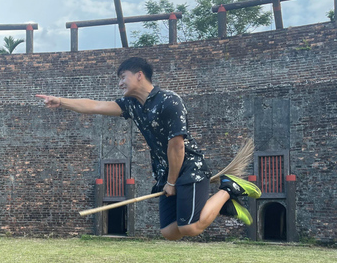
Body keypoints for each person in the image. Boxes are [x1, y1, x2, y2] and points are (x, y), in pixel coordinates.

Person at [35, 56, 260, 240]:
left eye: (123, 77)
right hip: (165, 171)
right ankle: (223, 204)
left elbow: (177, 146)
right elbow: (94, 106)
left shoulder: (169, 101)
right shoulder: (132, 105)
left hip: (190, 168)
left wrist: (172, 182)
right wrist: (61, 101)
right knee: (170, 232)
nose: (120, 83)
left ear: (139, 75)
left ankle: (229, 188)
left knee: (191, 228)